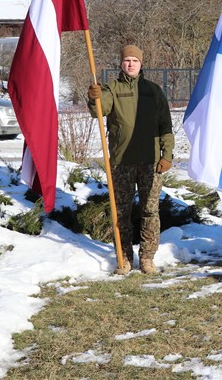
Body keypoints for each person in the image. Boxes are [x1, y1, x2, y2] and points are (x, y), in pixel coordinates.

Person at [87, 45, 174, 275]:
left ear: (141, 63)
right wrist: (93, 97)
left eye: (135, 60)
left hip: (151, 162)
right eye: (127, 60)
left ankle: (147, 258)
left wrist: (167, 155)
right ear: (121, 63)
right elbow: (99, 111)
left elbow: (166, 126)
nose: (131, 64)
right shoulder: (112, 89)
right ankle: (124, 258)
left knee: (150, 211)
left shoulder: (153, 91)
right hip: (121, 161)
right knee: (121, 212)